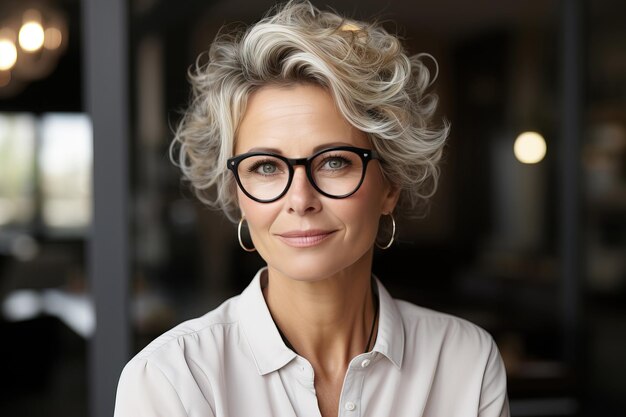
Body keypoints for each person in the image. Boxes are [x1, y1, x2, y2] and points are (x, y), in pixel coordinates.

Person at [114, 1, 510, 416]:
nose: (300, 199)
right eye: (265, 166)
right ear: (237, 194)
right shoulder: (172, 377)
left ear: (390, 184)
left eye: (334, 161)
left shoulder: (466, 362)